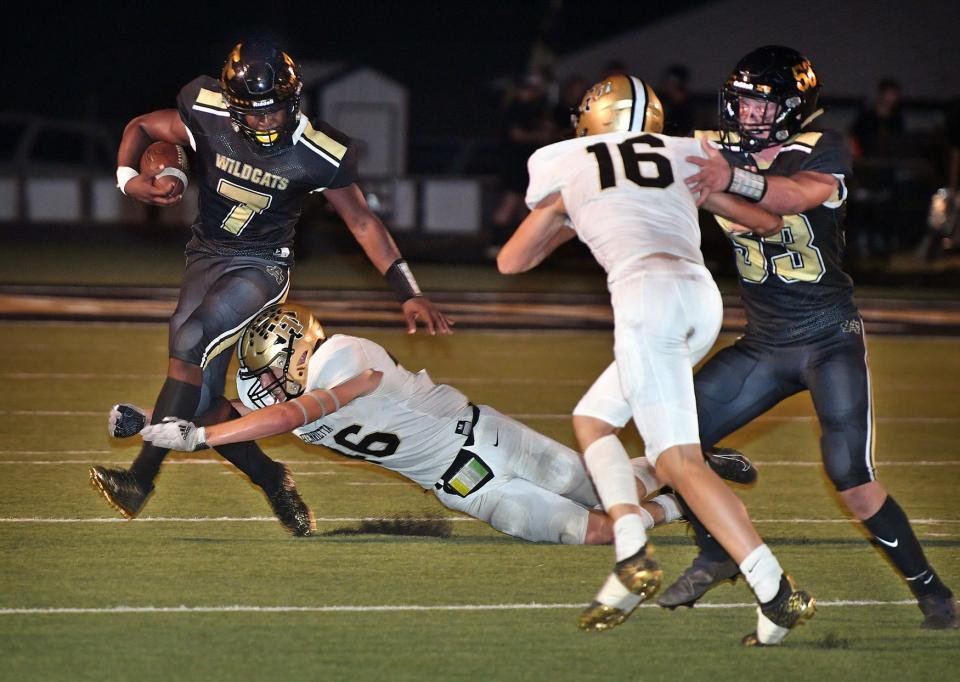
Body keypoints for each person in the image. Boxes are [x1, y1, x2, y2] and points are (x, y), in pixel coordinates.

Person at [497, 74, 814, 644]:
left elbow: (512, 261)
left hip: (648, 299)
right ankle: (631, 553)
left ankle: (775, 589)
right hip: (701, 298)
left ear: (594, 118)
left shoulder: (568, 163)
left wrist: (574, 213)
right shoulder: (677, 154)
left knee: (679, 465)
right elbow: (764, 222)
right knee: (593, 420)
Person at [646, 45, 956, 630]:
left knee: (850, 477)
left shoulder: (824, 147)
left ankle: (933, 591)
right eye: (741, 101)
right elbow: (640, 156)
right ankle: (718, 554)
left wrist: (723, 177)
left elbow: (789, 196)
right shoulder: (713, 147)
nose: (746, 114)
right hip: (763, 342)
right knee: (673, 443)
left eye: (761, 104)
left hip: (827, 337)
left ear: (792, 108)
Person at [89, 39, 451, 537]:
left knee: (193, 338)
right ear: (231, 103)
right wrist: (129, 180)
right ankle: (272, 477)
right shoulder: (206, 107)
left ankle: (140, 480)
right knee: (202, 401)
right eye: (252, 114)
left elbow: (362, 221)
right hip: (205, 256)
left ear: (293, 99)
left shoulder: (319, 151)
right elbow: (143, 127)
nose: (264, 123)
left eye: (274, 111)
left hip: (261, 266)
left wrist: (407, 289)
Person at [130, 303, 686, 545]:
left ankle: (679, 467)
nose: (270, 384)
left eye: (276, 371)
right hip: (464, 488)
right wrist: (151, 422)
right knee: (604, 531)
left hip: (492, 440)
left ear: (299, 350)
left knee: (611, 490)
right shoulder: (286, 397)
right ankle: (679, 505)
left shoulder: (344, 355)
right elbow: (232, 413)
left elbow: (300, 411)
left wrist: (199, 438)